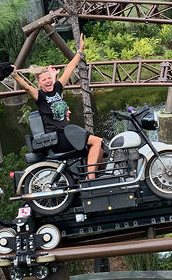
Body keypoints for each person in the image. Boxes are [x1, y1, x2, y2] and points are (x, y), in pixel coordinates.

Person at [11, 36, 104, 178]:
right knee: (97, 142)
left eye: (49, 78)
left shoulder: (57, 88)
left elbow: (69, 68)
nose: (48, 81)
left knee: (102, 148)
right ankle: (90, 180)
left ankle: (96, 175)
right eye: (44, 80)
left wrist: (79, 51)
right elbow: (27, 87)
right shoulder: (40, 96)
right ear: (40, 83)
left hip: (68, 132)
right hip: (59, 137)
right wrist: (16, 75)